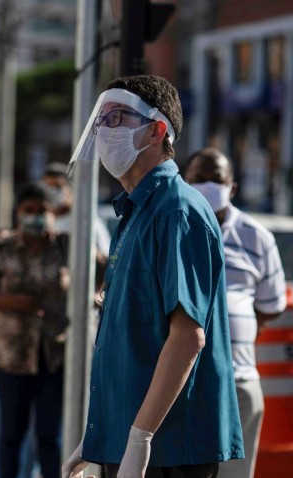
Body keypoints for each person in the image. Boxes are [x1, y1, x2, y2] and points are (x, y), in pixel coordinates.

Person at [62, 75, 243, 478]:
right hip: (131, 441)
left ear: (157, 131)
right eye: (101, 119)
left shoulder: (177, 210)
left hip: (169, 447)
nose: (103, 129)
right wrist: (100, 437)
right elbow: (131, 338)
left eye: (118, 117)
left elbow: (187, 337)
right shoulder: (134, 211)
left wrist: (139, 438)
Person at [184, 147, 287, 478]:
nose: (208, 185)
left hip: (238, 380)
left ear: (233, 188)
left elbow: (270, 305)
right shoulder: (172, 227)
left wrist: (233, 332)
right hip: (180, 380)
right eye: (199, 179)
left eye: (217, 179)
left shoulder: (257, 237)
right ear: (184, 182)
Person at [0, 183, 69, 478]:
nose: (35, 216)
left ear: (53, 213)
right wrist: (12, 301)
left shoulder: (68, 246)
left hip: (54, 356)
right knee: (10, 435)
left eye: (41, 211)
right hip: (11, 356)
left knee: (50, 437)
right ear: (18, 214)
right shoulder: (3, 248)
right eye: (28, 211)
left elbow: (105, 272)